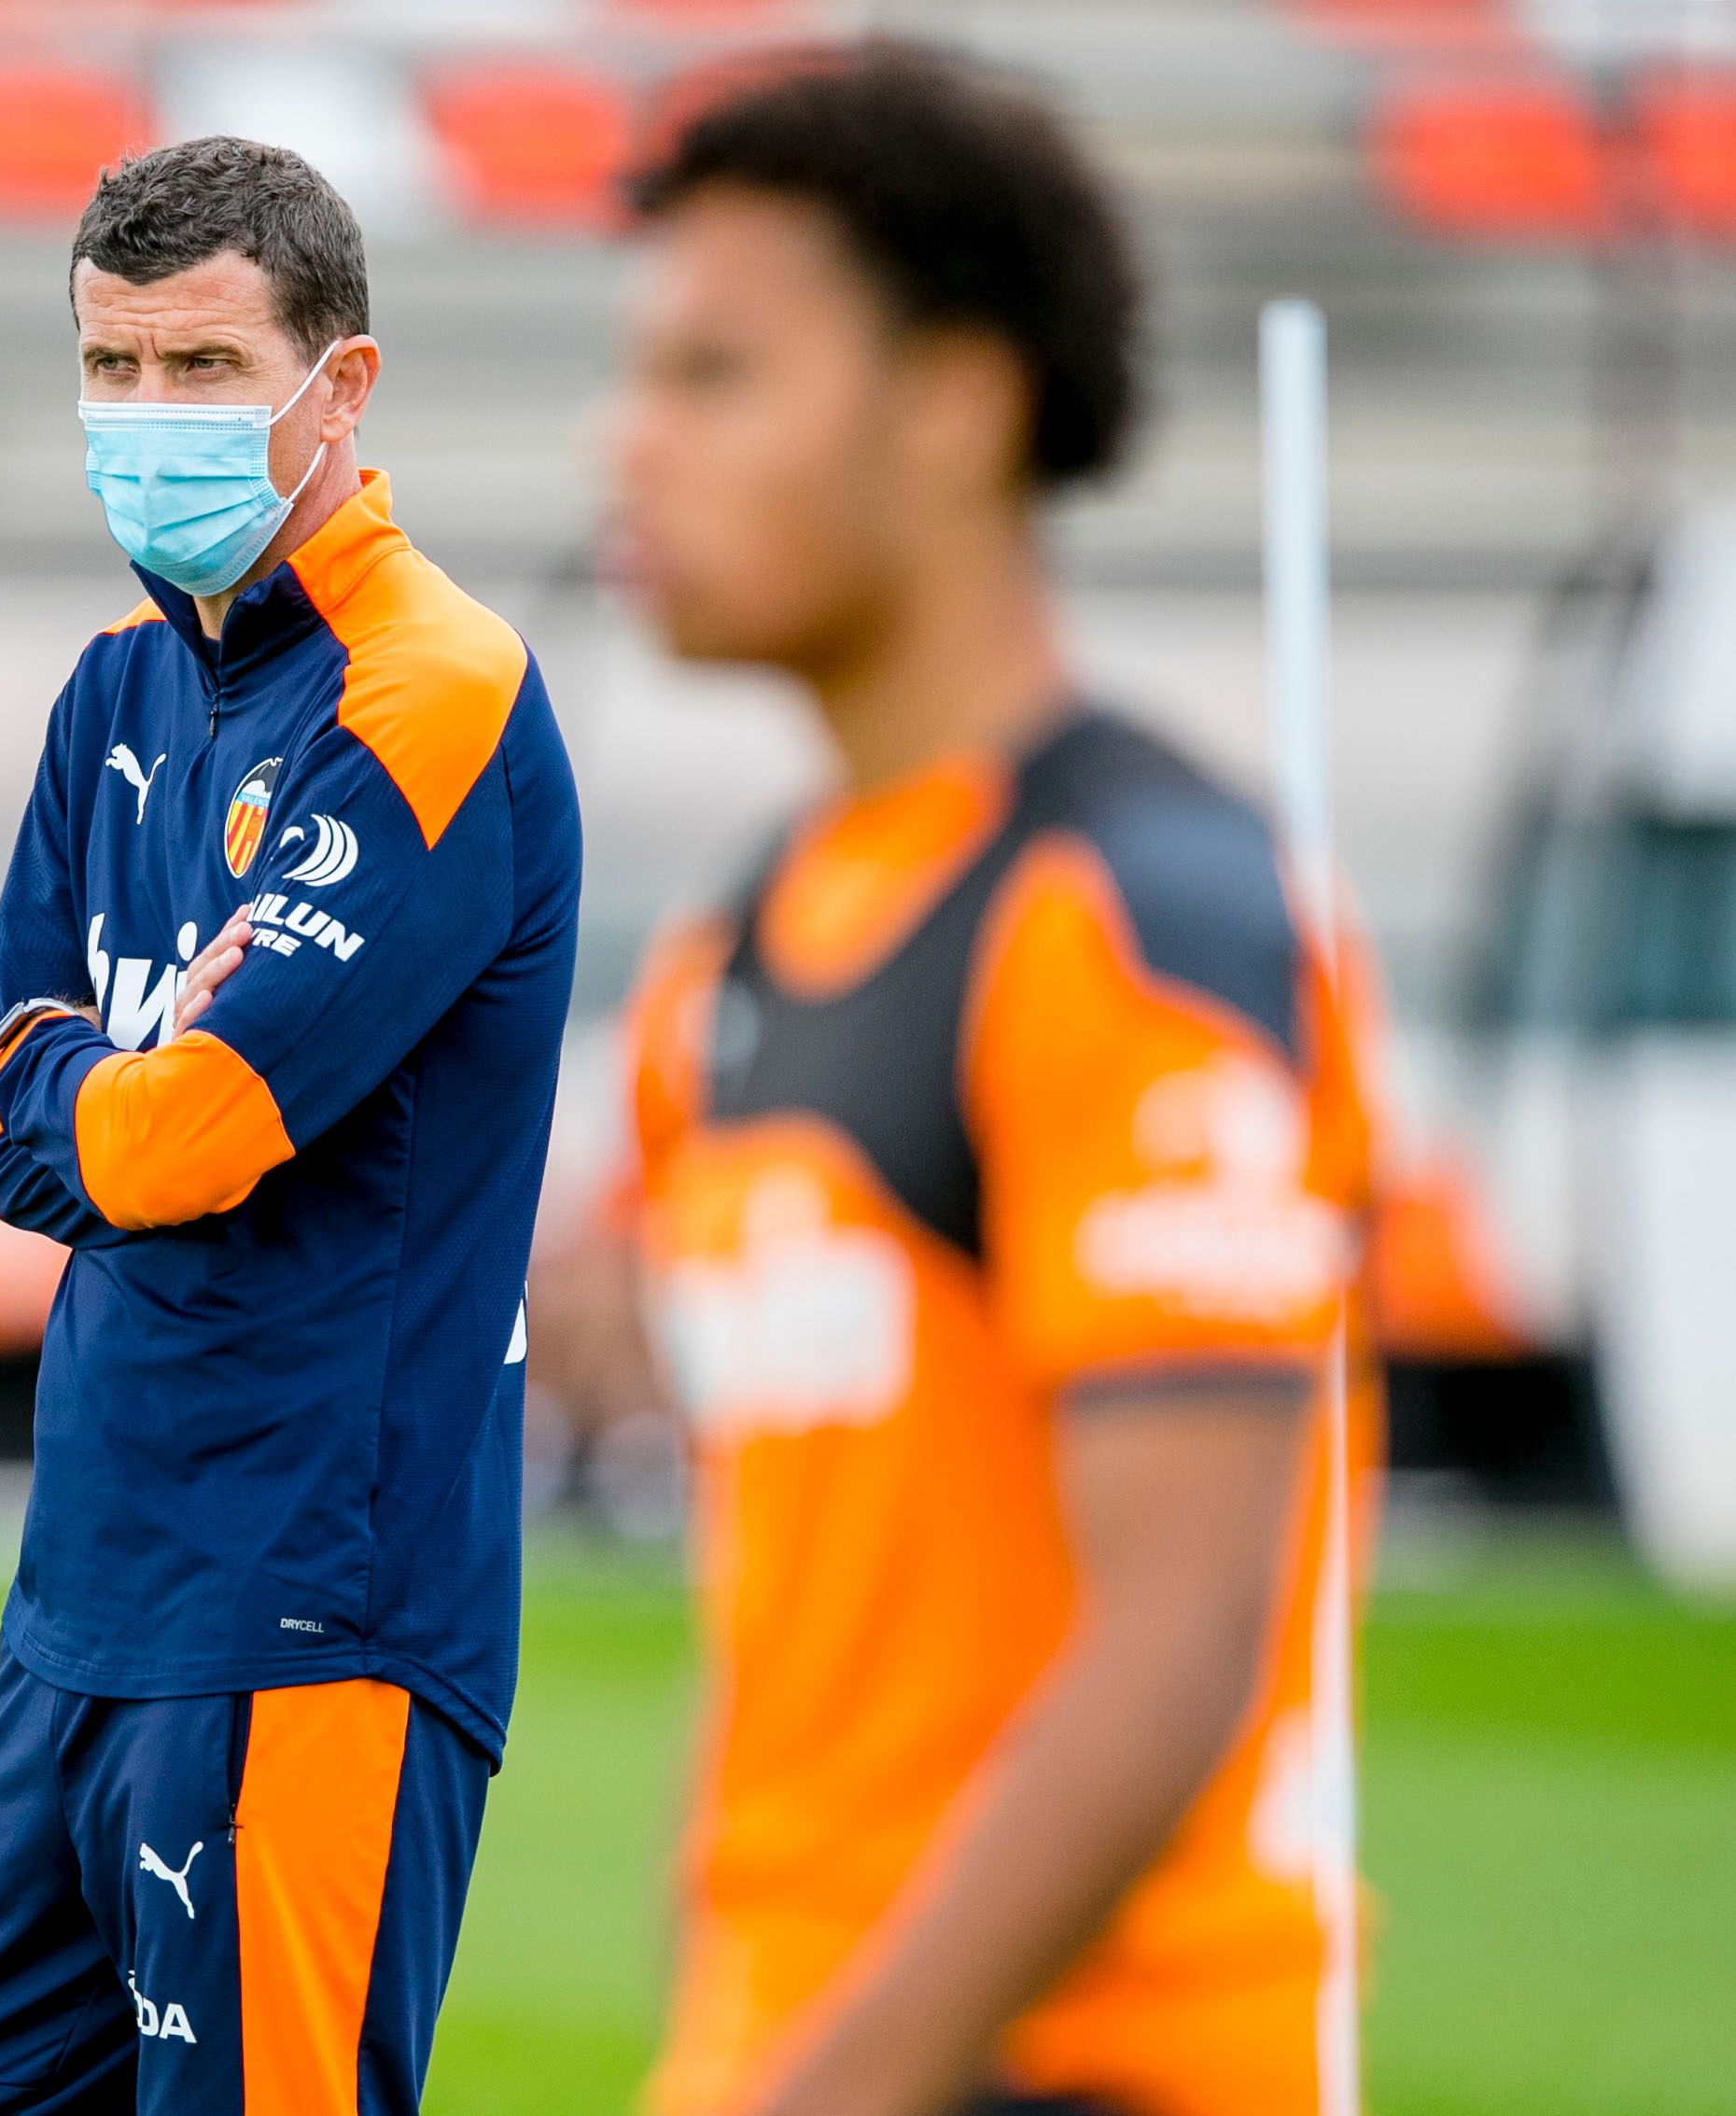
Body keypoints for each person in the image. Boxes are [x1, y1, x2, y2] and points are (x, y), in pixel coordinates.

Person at [570, 44, 1382, 2116]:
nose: (627, 443)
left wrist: (842, 2085)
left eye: (715, 375)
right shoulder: (727, 955)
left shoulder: (1129, 917)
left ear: (951, 402)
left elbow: (1176, 1634)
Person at [0, 137, 581, 2116]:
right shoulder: (113, 693)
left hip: (311, 1612)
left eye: (201, 369)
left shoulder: (429, 693)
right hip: (81, 1608)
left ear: (339, 389)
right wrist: (102, 1092)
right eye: (112, 367)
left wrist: (84, 1091)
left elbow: (181, 1138)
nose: (145, 417)